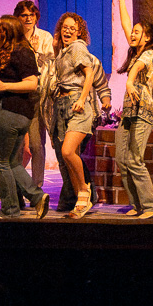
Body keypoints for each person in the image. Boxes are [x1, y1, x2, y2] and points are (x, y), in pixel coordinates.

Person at [0, 15, 50, 219]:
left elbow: (32, 83)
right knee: (12, 163)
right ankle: (37, 197)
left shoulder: (20, 52)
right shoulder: (14, 50)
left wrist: (5, 86)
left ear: (7, 31)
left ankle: (10, 210)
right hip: (20, 115)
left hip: (7, 111)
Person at [114, 0, 153, 218]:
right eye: (133, 32)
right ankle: (137, 204)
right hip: (129, 111)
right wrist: (122, 2)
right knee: (122, 159)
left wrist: (130, 81)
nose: (132, 34)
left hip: (143, 110)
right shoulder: (136, 51)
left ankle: (151, 206)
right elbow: (126, 25)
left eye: (137, 32)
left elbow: (137, 68)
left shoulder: (149, 54)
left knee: (135, 159)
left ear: (147, 37)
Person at [48, 12, 100, 218]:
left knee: (68, 152)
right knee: (68, 156)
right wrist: (55, 47)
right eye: (65, 27)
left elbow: (90, 73)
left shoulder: (77, 47)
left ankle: (84, 191)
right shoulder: (64, 50)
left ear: (79, 32)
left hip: (77, 104)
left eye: (72, 28)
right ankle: (81, 197)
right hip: (63, 105)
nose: (67, 31)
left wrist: (82, 99)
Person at [14, 0, 55, 192]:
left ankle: (37, 185)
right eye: (24, 15)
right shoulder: (13, 38)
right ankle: (17, 184)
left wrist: (34, 51)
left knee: (37, 145)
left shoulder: (45, 37)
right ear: (18, 17)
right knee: (17, 144)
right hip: (17, 96)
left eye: (31, 15)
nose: (28, 18)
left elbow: (50, 64)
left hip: (37, 96)